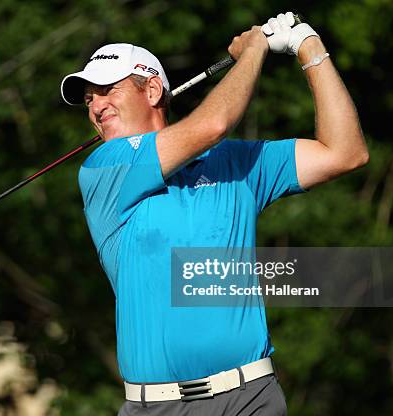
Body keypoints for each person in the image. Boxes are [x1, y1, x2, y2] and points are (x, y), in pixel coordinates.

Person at [60, 12, 368, 416]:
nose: (96, 107)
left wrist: (308, 46)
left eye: (107, 91)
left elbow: (346, 153)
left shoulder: (235, 163)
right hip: (156, 408)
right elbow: (214, 123)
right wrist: (253, 52)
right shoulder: (105, 167)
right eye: (89, 100)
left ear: (152, 90)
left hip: (251, 397)